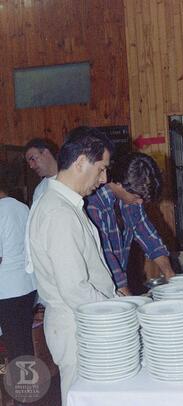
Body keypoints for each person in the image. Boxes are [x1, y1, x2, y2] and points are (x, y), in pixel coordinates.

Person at [28, 128, 116, 406]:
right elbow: (75, 289)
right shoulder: (58, 213)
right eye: (101, 169)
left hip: (82, 323)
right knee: (82, 397)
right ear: (80, 162)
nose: (104, 179)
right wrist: (121, 312)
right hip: (78, 327)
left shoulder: (64, 205)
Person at [86, 152, 175, 295]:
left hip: (119, 281)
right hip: (98, 291)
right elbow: (107, 260)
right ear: (119, 184)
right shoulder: (93, 204)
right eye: (136, 197)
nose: (140, 203)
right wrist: (130, 303)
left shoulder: (129, 200)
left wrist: (170, 275)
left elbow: (148, 236)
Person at [0, 161, 36, 363]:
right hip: (27, 286)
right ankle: (31, 391)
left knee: (14, 350)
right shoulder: (22, 207)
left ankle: (22, 393)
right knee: (24, 345)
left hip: (7, 291)